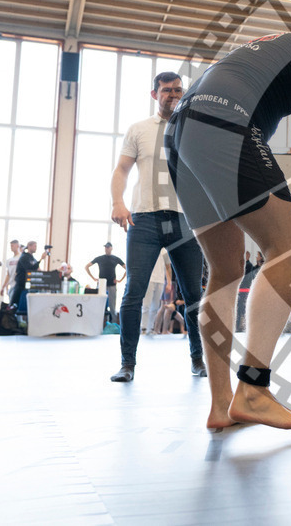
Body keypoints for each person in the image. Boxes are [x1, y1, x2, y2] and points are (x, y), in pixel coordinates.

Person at [167, 10, 291, 429]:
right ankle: (253, 389)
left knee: (225, 270)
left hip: (182, 136)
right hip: (227, 127)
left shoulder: (258, 48)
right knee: (289, 249)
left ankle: (222, 408)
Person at [111, 71, 213, 385]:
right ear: (155, 94)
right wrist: (118, 202)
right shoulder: (139, 130)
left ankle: (198, 358)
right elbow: (122, 170)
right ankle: (127, 364)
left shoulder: (195, 130)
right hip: (145, 220)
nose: (173, 94)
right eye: (166, 90)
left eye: (178, 89)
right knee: (133, 294)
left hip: (184, 221)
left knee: (194, 296)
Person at [85, 243, 126, 322]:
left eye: (108, 247)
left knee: (112, 306)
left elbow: (127, 268)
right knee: (100, 305)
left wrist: (120, 280)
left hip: (112, 285)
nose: (106, 249)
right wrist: (93, 278)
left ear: (111, 248)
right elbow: (87, 266)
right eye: (105, 247)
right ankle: (99, 323)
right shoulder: (99, 258)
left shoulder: (115, 258)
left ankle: (113, 325)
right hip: (101, 285)